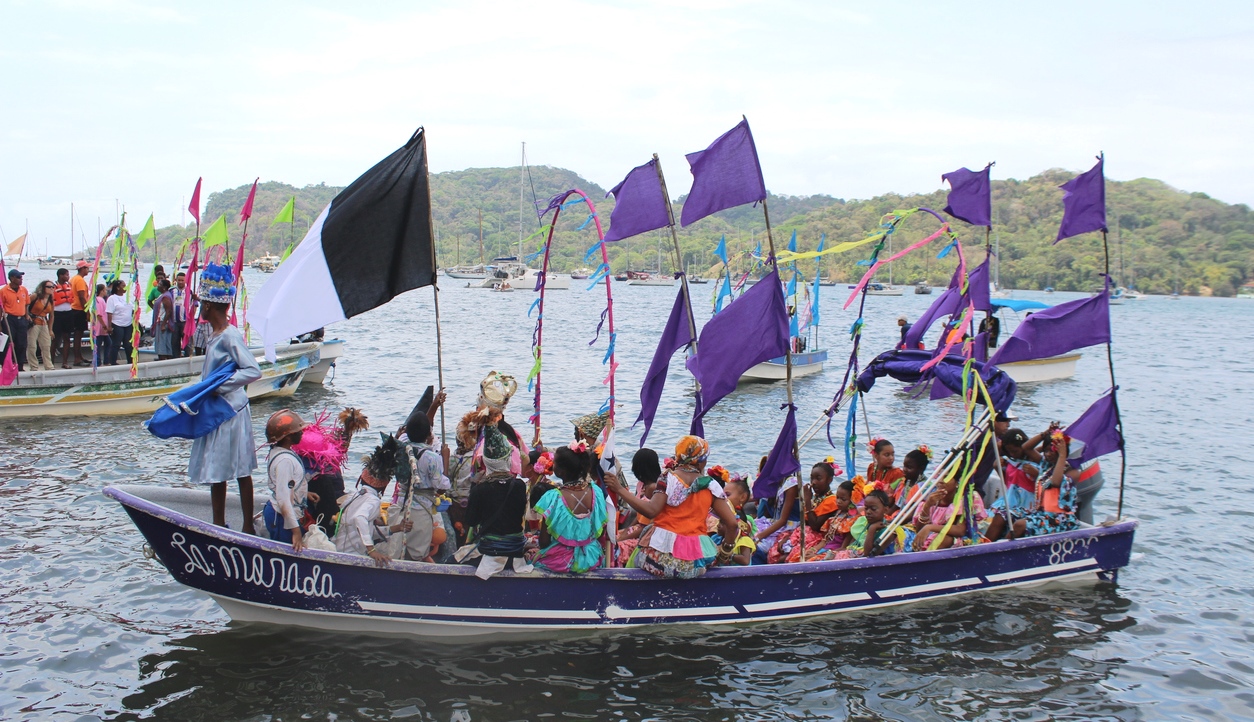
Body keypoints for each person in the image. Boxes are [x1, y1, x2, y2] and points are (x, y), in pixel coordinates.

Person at [186, 263, 262, 533]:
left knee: (241, 468)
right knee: (217, 468)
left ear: (208, 307)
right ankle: (218, 523)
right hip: (218, 409)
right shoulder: (215, 336)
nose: (201, 309)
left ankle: (246, 525)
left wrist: (221, 386)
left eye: (202, 305)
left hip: (232, 410)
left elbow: (253, 370)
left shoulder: (229, 335)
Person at [608, 435, 738, 579]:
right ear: (700, 462)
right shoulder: (711, 485)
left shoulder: (667, 478)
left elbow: (651, 511)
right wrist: (725, 554)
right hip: (694, 564)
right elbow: (732, 524)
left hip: (659, 560)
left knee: (636, 556)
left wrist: (619, 489)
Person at [462, 422, 531, 577]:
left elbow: (471, 521)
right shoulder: (520, 486)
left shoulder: (480, 489)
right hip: (515, 550)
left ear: (485, 461)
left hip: (490, 549)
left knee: (451, 560)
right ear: (508, 459)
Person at [987, 432, 1083, 540]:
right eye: (1046, 451)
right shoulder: (1046, 465)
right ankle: (983, 547)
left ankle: (1000, 551)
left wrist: (1062, 455)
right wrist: (1045, 434)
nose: (1048, 454)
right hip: (1040, 513)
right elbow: (1026, 448)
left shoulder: (1072, 472)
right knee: (1002, 514)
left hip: (1058, 519)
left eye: (1052, 450)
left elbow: (1055, 482)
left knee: (1020, 525)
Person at [335, 435, 411, 566]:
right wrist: (371, 550)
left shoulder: (354, 495)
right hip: (351, 556)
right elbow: (359, 518)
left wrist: (397, 528)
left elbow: (368, 530)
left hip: (341, 550)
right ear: (384, 485)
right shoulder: (373, 501)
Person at [533, 444, 608, 573]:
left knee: (531, 558)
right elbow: (600, 532)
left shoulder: (553, 498)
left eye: (555, 463)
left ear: (562, 471)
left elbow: (544, 542)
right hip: (591, 556)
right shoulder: (596, 491)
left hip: (560, 560)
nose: (553, 464)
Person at [391, 412, 451, 562]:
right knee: (418, 551)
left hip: (401, 503)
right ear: (429, 435)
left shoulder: (400, 451)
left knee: (397, 545)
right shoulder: (432, 458)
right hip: (421, 509)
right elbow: (440, 484)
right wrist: (445, 459)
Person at [262, 409, 314, 551]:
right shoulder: (285, 461)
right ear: (288, 436)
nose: (302, 433)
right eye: (298, 431)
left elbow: (285, 485)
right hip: (282, 518)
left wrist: (304, 493)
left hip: (282, 513)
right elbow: (283, 500)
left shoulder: (279, 451)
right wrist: (296, 532)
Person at [911, 478, 986, 551]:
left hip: (957, 538)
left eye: (946, 477)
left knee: (944, 539)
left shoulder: (962, 500)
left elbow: (960, 530)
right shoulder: (932, 498)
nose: (940, 481)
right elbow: (919, 530)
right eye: (939, 477)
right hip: (931, 534)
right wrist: (927, 506)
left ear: (957, 482)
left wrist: (929, 527)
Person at [615, 448, 661, 563]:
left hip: (646, 533)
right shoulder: (641, 485)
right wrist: (627, 529)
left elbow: (649, 524)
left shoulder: (653, 488)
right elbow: (640, 514)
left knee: (616, 545)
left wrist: (625, 536)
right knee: (611, 538)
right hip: (637, 528)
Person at [1, 269, 31, 372]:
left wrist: (27, 315)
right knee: (9, 343)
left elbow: (27, 303)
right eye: (18, 277)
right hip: (9, 318)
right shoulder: (4, 291)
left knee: (22, 343)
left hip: (21, 318)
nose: (21, 279)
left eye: (21, 277)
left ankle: (20, 365)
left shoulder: (24, 290)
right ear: (12, 278)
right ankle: (7, 364)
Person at [25, 280, 54, 371]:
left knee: (46, 345)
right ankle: (34, 366)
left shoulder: (50, 299)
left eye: (52, 287)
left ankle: (48, 366)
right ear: (43, 288)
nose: (51, 289)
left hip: (44, 322)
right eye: (49, 287)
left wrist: (50, 329)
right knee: (32, 345)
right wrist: (27, 315)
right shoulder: (35, 296)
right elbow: (25, 304)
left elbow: (52, 316)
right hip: (34, 322)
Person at [105, 279, 135, 365]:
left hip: (128, 323)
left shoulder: (127, 297)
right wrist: (109, 326)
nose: (125, 287)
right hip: (117, 323)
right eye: (123, 285)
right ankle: (113, 361)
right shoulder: (112, 298)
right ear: (118, 288)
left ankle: (130, 362)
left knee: (128, 344)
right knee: (116, 344)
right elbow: (109, 313)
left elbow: (132, 309)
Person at [51, 268, 75, 368]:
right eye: (66, 274)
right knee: (55, 339)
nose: (68, 276)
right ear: (60, 275)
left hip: (68, 313)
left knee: (67, 338)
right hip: (57, 314)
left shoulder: (69, 285)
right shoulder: (53, 286)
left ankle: (65, 362)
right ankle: (51, 362)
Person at [69, 260, 91, 366]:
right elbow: (82, 297)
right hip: (79, 309)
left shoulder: (73, 279)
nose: (88, 270)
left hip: (73, 308)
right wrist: (87, 311)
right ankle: (77, 358)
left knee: (78, 334)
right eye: (86, 268)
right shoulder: (79, 280)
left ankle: (79, 356)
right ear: (82, 269)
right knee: (78, 334)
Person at [91, 283, 111, 366]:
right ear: (101, 291)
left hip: (102, 325)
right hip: (100, 326)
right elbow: (99, 314)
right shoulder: (99, 300)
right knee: (99, 344)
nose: (106, 291)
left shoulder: (101, 300)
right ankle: (99, 361)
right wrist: (104, 325)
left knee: (108, 343)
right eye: (105, 290)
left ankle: (105, 360)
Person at [171, 271, 189, 356]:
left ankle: (188, 360)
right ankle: (176, 360)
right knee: (175, 342)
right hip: (174, 321)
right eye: (179, 280)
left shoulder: (189, 291)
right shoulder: (172, 291)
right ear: (176, 280)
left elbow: (195, 304)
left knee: (187, 343)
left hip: (185, 321)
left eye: (182, 280)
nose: (181, 282)